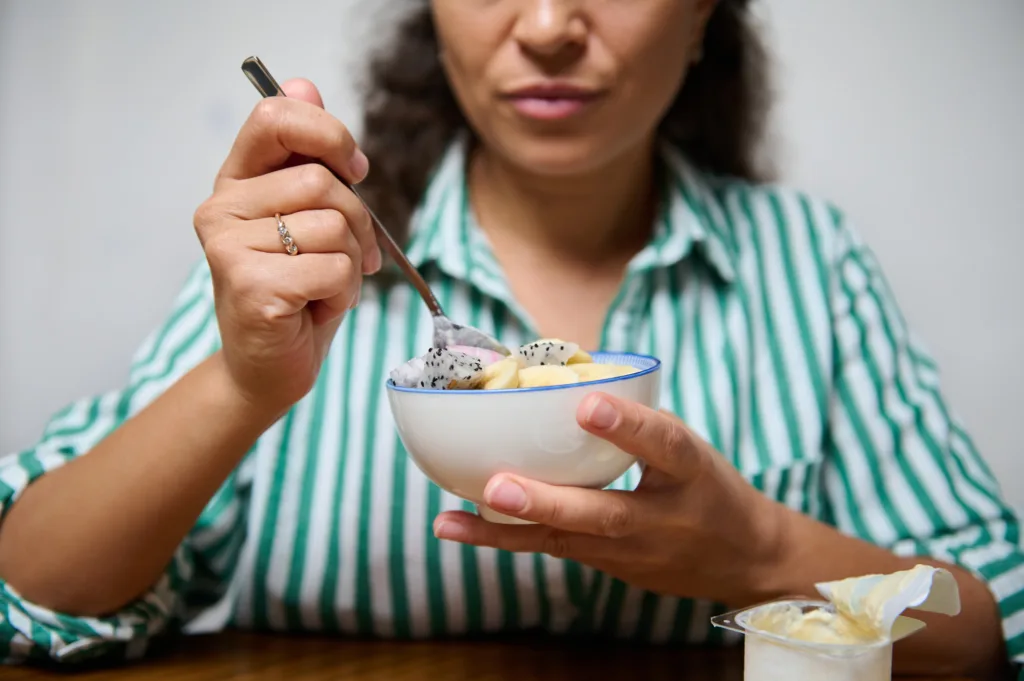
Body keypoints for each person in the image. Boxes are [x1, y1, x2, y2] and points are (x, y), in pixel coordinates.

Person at [0, 0, 1020, 676]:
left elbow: (992, 619)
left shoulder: (809, 263)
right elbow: (34, 586)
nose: (545, 25)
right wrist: (243, 385)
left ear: (705, 14)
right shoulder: (304, 258)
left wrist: (760, 554)